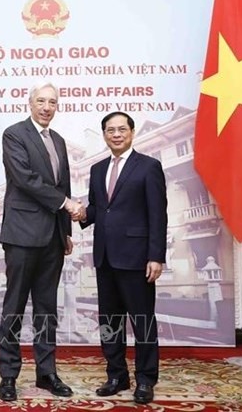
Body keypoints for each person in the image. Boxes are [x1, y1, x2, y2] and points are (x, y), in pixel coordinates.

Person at [0, 82, 82, 402]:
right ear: (30, 103)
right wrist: (67, 205)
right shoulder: (14, 134)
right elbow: (25, 179)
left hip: (52, 239)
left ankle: (47, 374)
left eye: (53, 102)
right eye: (41, 101)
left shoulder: (58, 140)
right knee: (14, 308)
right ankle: (8, 376)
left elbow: (63, 184)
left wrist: (66, 232)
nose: (47, 107)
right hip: (21, 235)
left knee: (47, 310)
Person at [76, 111, 167, 405]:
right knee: (109, 323)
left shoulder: (149, 167)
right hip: (104, 257)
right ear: (104, 135)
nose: (116, 134)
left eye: (121, 129)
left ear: (131, 132)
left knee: (142, 322)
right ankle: (116, 375)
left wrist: (156, 255)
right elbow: (99, 208)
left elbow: (158, 214)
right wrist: (77, 212)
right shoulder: (97, 169)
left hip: (137, 258)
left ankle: (145, 379)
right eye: (110, 130)